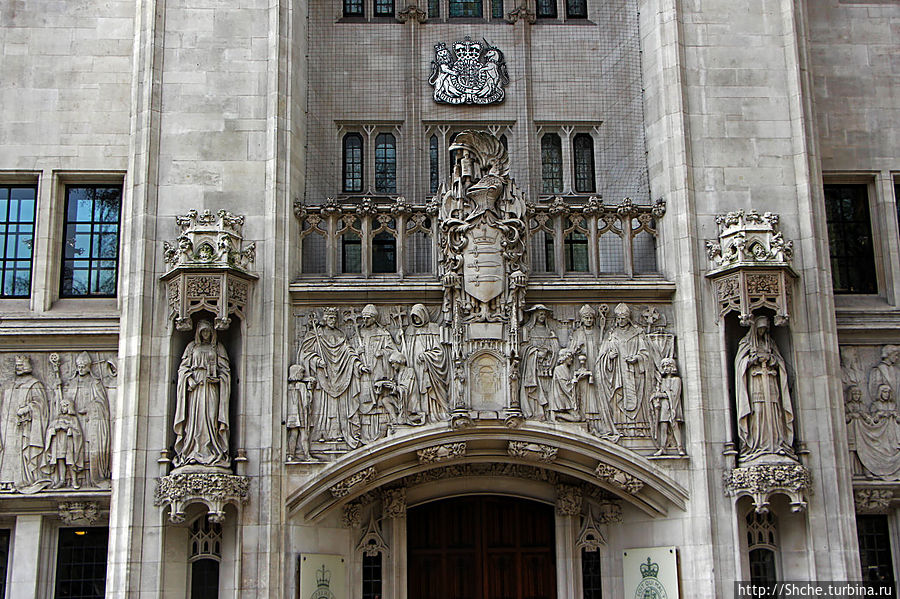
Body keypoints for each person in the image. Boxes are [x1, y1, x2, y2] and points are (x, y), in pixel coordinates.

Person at [298, 307, 366, 447]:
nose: (333, 321)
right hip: (324, 377)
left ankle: (340, 433)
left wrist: (358, 364)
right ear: (324, 319)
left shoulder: (341, 335)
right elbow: (305, 354)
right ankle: (321, 434)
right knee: (323, 407)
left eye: (335, 318)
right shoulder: (316, 334)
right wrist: (317, 361)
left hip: (341, 375)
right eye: (330, 318)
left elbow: (349, 352)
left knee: (339, 406)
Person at [734, 315, 795, 462]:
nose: (762, 332)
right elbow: (740, 364)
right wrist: (752, 360)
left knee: (774, 412)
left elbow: (780, 362)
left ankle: (776, 443)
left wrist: (772, 360)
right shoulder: (746, 344)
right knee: (758, 412)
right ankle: (756, 445)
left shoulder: (771, 344)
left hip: (771, 382)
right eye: (760, 329)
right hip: (755, 384)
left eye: (764, 329)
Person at [174, 320, 232, 469]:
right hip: (195, 390)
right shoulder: (191, 347)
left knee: (211, 419)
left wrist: (219, 379)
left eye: (208, 332)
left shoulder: (218, 348)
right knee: (195, 419)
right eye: (203, 332)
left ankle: (211, 449)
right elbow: (183, 369)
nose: (206, 334)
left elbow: (225, 370)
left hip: (211, 388)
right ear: (199, 333)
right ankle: (192, 451)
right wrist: (189, 379)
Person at [69, 351, 111, 486]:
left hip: (91, 421)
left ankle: (92, 477)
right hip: (75, 421)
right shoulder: (73, 382)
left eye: (83, 366)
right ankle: (74, 478)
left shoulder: (95, 382)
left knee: (90, 448)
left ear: (89, 367)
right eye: (79, 366)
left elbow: (102, 403)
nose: (80, 369)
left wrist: (89, 407)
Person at [405, 304, 450, 422]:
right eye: (413, 317)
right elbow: (405, 352)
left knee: (430, 388)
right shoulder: (410, 330)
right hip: (415, 367)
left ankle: (434, 412)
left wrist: (427, 356)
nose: (416, 319)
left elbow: (439, 352)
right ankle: (419, 413)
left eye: (418, 316)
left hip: (429, 368)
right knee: (416, 389)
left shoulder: (433, 328)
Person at [10, 355, 50, 488]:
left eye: (21, 365)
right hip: (10, 428)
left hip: (26, 427)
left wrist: (28, 408)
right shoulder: (11, 385)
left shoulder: (34, 384)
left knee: (24, 451)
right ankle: (8, 481)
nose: (18, 368)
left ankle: (28, 479)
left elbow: (41, 405)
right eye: (17, 365)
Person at [519, 305, 559, 420]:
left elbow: (555, 348)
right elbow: (522, 350)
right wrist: (536, 352)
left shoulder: (549, 331)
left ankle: (547, 413)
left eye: (544, 315)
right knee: (535, 390)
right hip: (533, 367)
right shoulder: (527, 330)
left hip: (547, 366)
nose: (542, 317)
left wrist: (550, 349)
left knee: (547, 390)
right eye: (540, 314)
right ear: (534, 315)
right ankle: (535, 412)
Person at [44, 399, 84, 489]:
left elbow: (78, 432)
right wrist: (55, 428)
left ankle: (74, 480)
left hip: (69, 442)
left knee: (70, 461)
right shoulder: (57, 418)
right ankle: (62, 480)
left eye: (65, 406)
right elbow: (50, 429)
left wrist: (67, 428)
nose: (63, 408)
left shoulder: (73, 418)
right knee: (60, 460)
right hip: (58, 442)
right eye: (61, 406)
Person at [649, 358, 685, 455]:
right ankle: (662, 447)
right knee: (663, 426)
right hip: (664, 406)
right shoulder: (662, 381)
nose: (666, 368)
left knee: (674, 425)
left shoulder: (676, 380)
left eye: (668, 366)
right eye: (664, 366)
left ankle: (680, 447)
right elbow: (659, 391)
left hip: (673, 404)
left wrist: (660, 394)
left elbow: (675, 394)